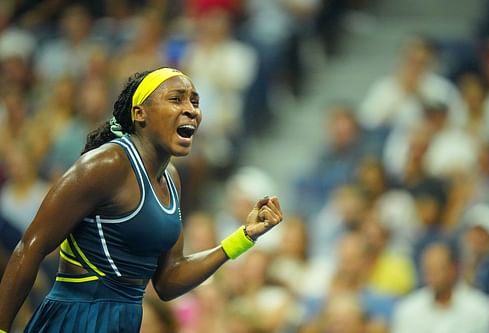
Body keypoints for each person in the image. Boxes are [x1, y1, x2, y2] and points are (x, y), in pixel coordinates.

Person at [0, 67, 284, 332]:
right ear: (140, 113)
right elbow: (29, 248)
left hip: (126, 321)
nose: (191, 110)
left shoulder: (172, 178)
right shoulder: (106, 164)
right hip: (76, 318)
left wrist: (244, 237)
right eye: (176, 99)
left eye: (195, 102)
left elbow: (168, 280)